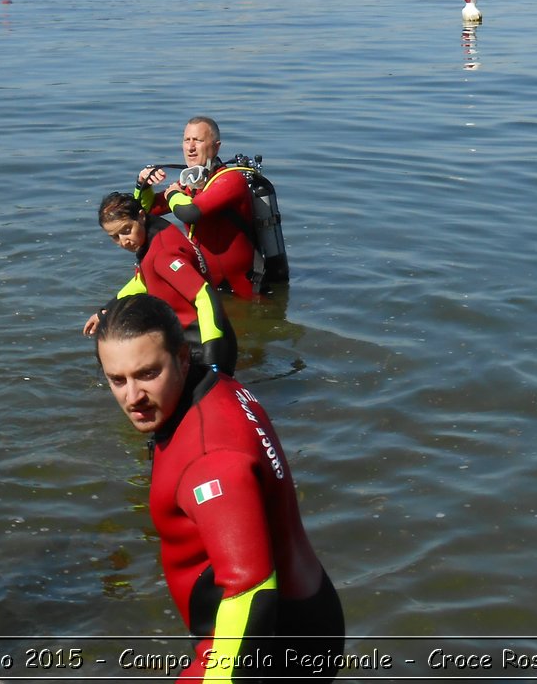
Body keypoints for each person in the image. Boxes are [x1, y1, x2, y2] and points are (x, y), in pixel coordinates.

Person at [94, 295, 344, 682]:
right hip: (301, 618)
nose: (132, 397)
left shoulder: (210, 460)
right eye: (117, 379)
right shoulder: (214, 387)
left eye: (147, 374)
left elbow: (251, 590)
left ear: (181, 357)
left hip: (269, 645)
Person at [86, 192, 237, 375]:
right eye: (114, 236)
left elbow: (204, 296)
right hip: (193, 341)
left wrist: (212, 357)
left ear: (141, 216)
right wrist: (107, 309)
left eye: (126, 230)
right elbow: (143, 281)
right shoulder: (157, 233)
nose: (123, 241)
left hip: (203, 345)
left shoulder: (163, 256)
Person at [137, 116, 258, 297]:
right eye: (187, 140)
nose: (191, 147)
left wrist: (172, 193)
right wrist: (143, 184)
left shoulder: (231, 180)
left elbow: (190, 213)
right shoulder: (189, 184)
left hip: (243, 292)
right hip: (205, 286)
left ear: (216, 147)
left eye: (198, 140)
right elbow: (145, 212)